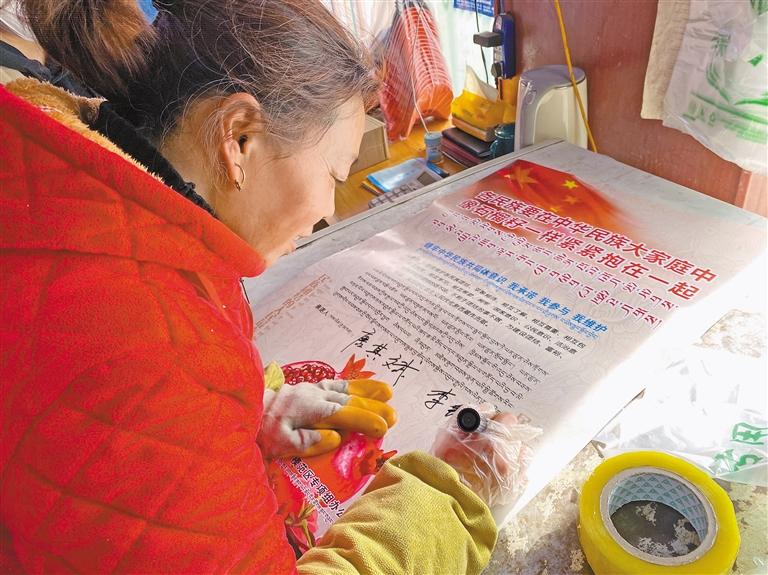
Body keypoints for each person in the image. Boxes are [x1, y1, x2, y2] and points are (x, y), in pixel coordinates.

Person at [0, 1, 527, 573]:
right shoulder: (147, 346)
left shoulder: (79, 193)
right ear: (238, 137)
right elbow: (141, 388)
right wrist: (449, 495)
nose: (326, 211)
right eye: (334, 174)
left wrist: (248, 410)